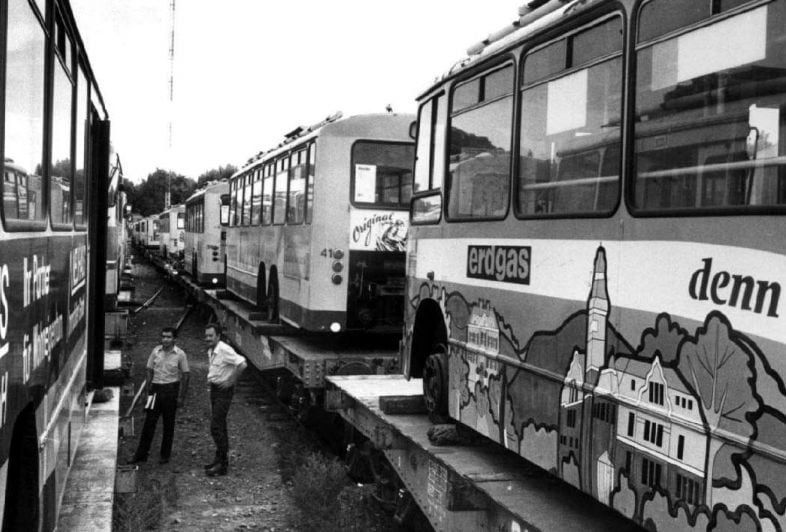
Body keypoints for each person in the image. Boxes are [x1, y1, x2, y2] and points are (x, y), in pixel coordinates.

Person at [131, 326, 189, 465]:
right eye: (163, 336)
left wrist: (181, 397)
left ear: (174, 339)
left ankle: (165, 455)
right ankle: (141, 454)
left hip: (171, 391)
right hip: (155, 391)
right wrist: (146, 393)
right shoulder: (155, 351)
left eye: (169, 337)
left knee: (168, 425)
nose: (165, 340)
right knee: (148, 423)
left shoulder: (180, 355)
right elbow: (149, 371)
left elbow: (186, 375)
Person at [203, 323, 247, 476]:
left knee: (215, 427)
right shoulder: (212, 350)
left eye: (211, 336)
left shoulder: (224, 349)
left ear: (218, 336)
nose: (207, 338)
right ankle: (219, 460)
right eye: (206, 335)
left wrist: (230, 381)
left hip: (224, 391)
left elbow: (242, 364)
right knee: (220, 426)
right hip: (215, 390)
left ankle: (223, 464)